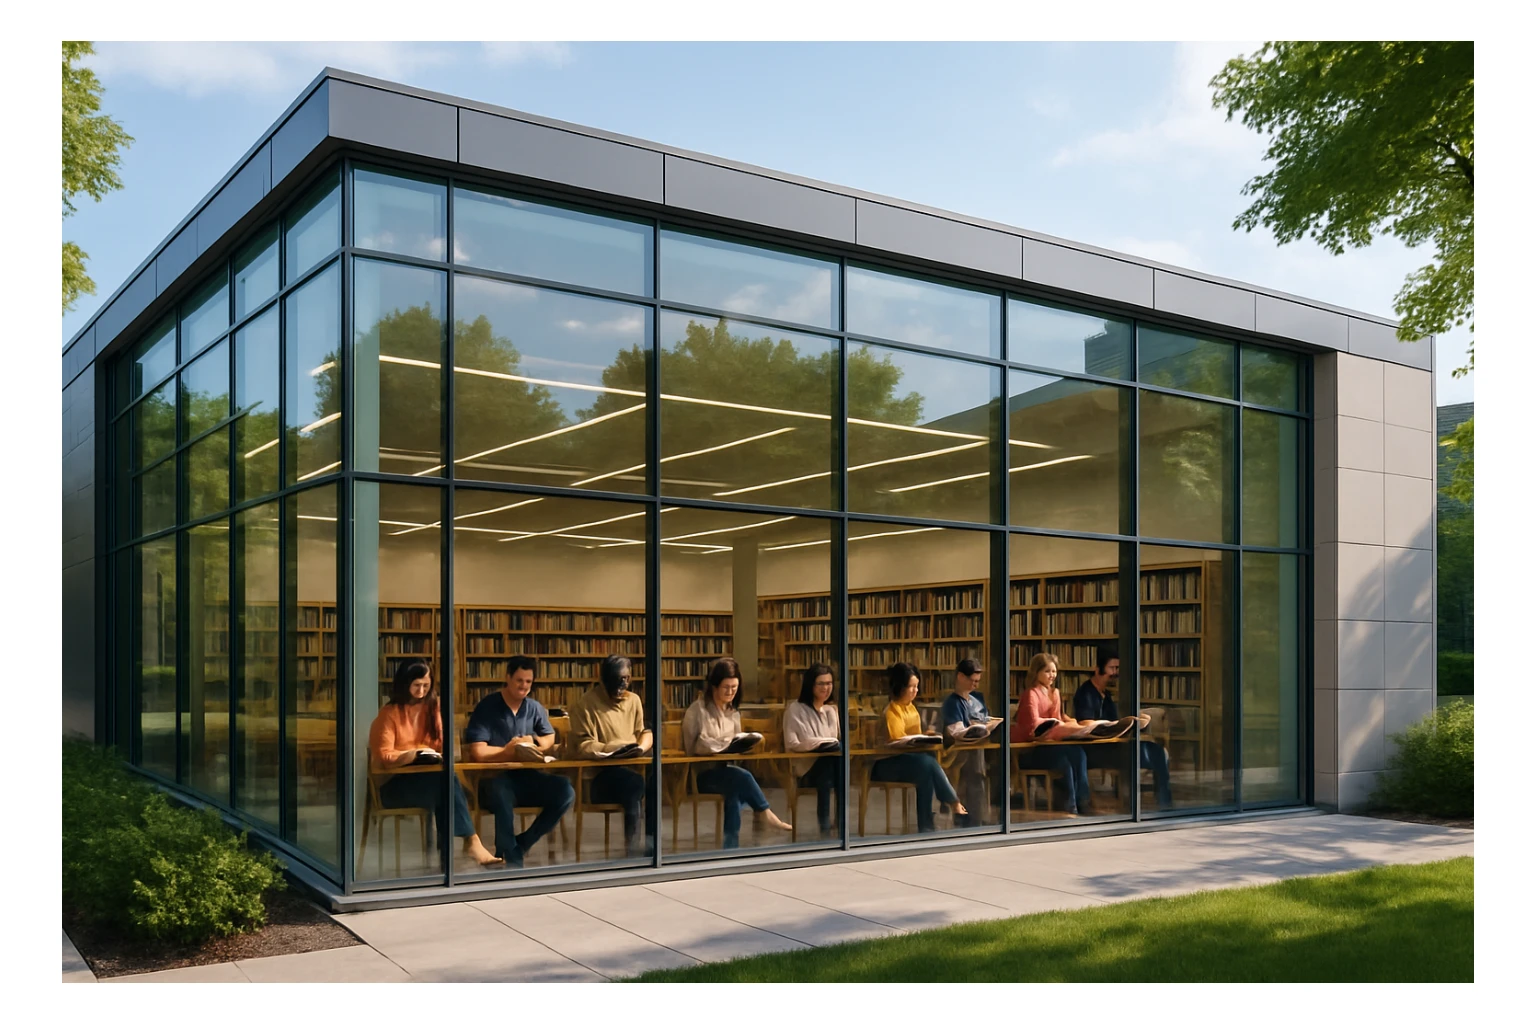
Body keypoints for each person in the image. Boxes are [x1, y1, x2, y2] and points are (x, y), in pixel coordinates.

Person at [366, 660, 502, 867]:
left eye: (426, 686)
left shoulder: (432, 707)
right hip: (393, 785)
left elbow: (442, 746)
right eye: (416, 685)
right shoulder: (389, 714)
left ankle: (454, 855)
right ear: (404, 684)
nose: (421, 691)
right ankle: (470, 843)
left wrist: (438, 732)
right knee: (448, 786)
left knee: (445, 784)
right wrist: (409, 755)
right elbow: (383, 757)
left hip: (428, 780)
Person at [462, 655, 576, 867]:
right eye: (519, 680)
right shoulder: (487, 707)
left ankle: (522, 843)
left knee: (565, 790)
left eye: (528, 682)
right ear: (508, 678)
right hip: (493, 778)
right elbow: (478, 751)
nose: (524, 686)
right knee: (501, 791)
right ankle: (508, 855)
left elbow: (550, 738)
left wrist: (533, 742)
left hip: (527, 776)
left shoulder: (533, 707)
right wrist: (508, 752)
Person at [681, 657, 794, 848]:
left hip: (726, 770)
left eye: (734, 688)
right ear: (714, 686)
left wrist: (742, 746)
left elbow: (736, 741)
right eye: (726, 687)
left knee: (734, 789)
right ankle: (765, 813)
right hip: (700, 774)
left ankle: (730, 844)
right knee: (741, 777)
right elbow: (691, 747)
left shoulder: (733, 712)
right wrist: (719, 746)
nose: (730, 692)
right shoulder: (697, 710)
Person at [568, 654, 653, 857]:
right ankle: (632, 850)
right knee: (634, 783)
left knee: (652, 780)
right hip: (599, 777)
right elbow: (583, 745)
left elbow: (643, 731)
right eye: (615, 682)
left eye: (625, 680)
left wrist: (641, 746)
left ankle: (651, 848)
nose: (621, 687)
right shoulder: (585, 704)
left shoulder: (634, 701)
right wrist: (614, 748)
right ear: (602, 680)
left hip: (632, 768)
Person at [870, 663, 967, 832]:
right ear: (900, 687)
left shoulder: (912, 709)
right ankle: (952, 801)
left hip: (907, 760)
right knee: (927, 763)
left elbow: (914, 737)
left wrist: (926, 737)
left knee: (926, 770)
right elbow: (897, 742)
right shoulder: (892, 711)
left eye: (917, 686)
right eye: (911, 687)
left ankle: (926, 824)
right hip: (884, 763)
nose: (915, 691)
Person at [1071, 648, 1173, 809]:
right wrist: (1110, 725)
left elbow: (1116, 721)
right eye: (1112, 668)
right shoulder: (1086, 693)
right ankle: (1147, 803)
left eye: (1118, 669)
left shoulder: (1107, 695)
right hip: (1096, 749)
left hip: (1113, 744)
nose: (1116, 673)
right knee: (1150, 754)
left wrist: (1132, 723)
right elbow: (1084, 723)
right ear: (1098, 670)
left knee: (1157, 751)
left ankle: (1164, 802)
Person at [1009, 653, 1094, 817]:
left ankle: (1083, 801)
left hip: (1051, 744)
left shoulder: (1054, 693)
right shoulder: (1030, 694)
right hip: (1031, 750)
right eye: (1047, 671)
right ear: (1037, 672)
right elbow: (1032, 725)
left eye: (1054, 671)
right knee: (1064, 762)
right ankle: (1069, 806)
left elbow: (1059, 718)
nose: (1052, 675)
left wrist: (1074, 724)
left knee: (1079, 754)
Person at [783, 663, 842, 838]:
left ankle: (836, 819)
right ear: (810, 685)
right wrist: (816, 744)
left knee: (836, 759)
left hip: (828, 763)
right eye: (821, 684)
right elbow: (792, 743)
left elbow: (835, 738)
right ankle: (830, 822)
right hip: (805, 767)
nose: (826, 688)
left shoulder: (832, 711)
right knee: (830, 763)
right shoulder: (795, 709)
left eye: (829, 683)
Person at [941, 658, 992, 827]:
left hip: (978, 745)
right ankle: (973, 817)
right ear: (961, 677)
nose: (975, 685)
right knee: (975, 762)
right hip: (957, 750)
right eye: (972, 681)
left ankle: (978, 814)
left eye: (978, 682)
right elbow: (954, 732)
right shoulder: (952, 702)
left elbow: (986, 719)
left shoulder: (977, 699)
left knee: (984, 755)